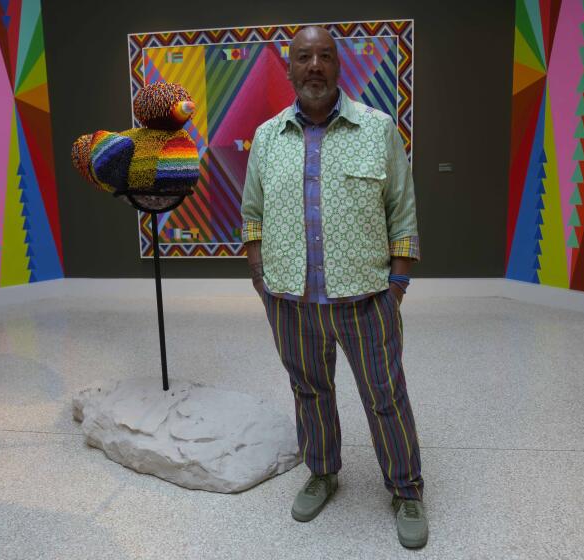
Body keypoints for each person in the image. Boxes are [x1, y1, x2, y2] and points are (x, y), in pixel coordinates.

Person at [240, 25, 428, 549]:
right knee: (309, 390)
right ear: (289, 68)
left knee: (385, 394)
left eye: (325, 56)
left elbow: (403, 211)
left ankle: (406, 488)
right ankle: (322, 471)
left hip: (367, 299)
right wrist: (260, 276)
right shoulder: (266, 137)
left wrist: (398, 284)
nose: (315, 66)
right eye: (304, 57)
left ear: (338, 64)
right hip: (290, 300)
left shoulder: (378, 128)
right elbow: (251, 215)